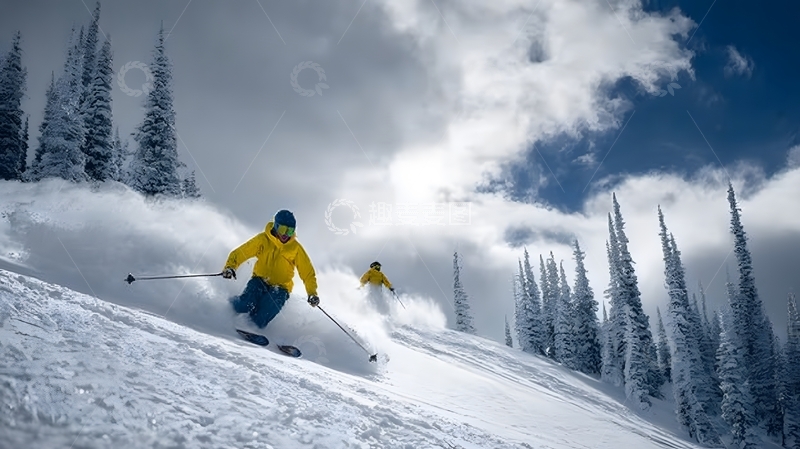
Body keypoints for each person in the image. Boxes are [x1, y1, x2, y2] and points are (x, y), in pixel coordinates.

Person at [222, 209, 319, 328]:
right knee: (244, 305)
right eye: (283, 229)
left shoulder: (295, 248)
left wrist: (312, 293)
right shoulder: (263, 240)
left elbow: (307, 273)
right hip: (259, 281)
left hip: (281, 288)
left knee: (263, 314)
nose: (285, 234)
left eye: (290, 231)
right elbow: (242, 252)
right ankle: (226, 306)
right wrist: (230, 267)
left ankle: (252, 328)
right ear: (276, 226)